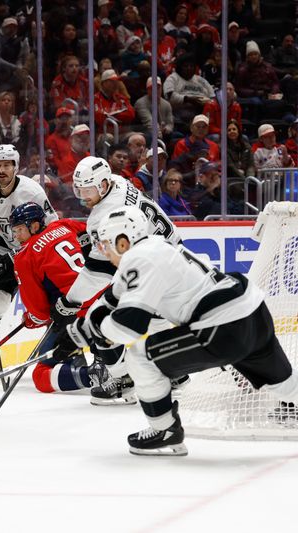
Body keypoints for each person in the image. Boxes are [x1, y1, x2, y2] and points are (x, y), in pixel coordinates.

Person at [52, 207, 298, 455]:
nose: (103, 252)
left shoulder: (140, 258)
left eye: (106, 245)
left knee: (140, 357)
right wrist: (83, 325)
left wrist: (94, 333)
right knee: (286, 382)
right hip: (253, 312)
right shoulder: (155, 248)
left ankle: (165, 432)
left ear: (124, 240)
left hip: (221, 326)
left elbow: (127, 327)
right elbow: (111, 298)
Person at [55, 156, 181, 405]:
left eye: (87, 190)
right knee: (156, 321)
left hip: (150, 265)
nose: (82, 197)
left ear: (102, 186)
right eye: (78, 189)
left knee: (101, 318)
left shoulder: (103, 215)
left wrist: (70, 302)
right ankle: (172, 373)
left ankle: (126, 379)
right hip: (170, 251)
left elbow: (97, 272)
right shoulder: (117, 181)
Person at [0, 144, 58, 375]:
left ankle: (65, 353)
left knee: (57, 306)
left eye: (7, 165)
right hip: (9, 252)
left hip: (37, 254)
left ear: (15, 166)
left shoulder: (32, 191)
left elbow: (53, 224)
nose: (2, 169)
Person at [8, 202, 107, 395]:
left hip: (76, 314)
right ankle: (104, 363)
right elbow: (90, 230)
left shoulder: (24, 256)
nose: (16, 236)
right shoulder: (63, 225)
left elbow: (40, 312)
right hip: (105, 300)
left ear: (34, 226)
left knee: (41, 376)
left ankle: (94, 375)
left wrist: (30, 320)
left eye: (19, 230)